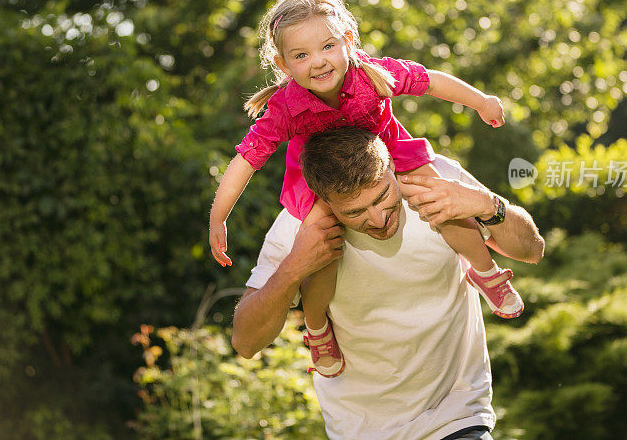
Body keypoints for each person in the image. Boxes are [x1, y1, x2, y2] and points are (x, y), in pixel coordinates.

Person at [210, 0, 522, 377]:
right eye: (302, 55)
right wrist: (219, 216)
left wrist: (482, 102)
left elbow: (433, 82)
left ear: (348, 40)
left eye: (327, 46)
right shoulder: (285, 108)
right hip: (324, 175)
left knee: (436, 196)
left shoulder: (373, 74)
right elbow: (246, 161)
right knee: (321, 245)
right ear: (284, 64)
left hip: (386, 151)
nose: (318, 62)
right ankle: (318, 327)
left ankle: (483, 269)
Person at [231, 127, 545, 439]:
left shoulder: (436, 178)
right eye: (355, 212)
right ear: (325, 202)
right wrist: (292, 269)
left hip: (456, 419)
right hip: (359, 430)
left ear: (392, 166)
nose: (379, 219)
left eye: (382, 197)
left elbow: (532, 250)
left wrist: (488, 205)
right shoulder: (298, 226)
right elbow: (246, 343)